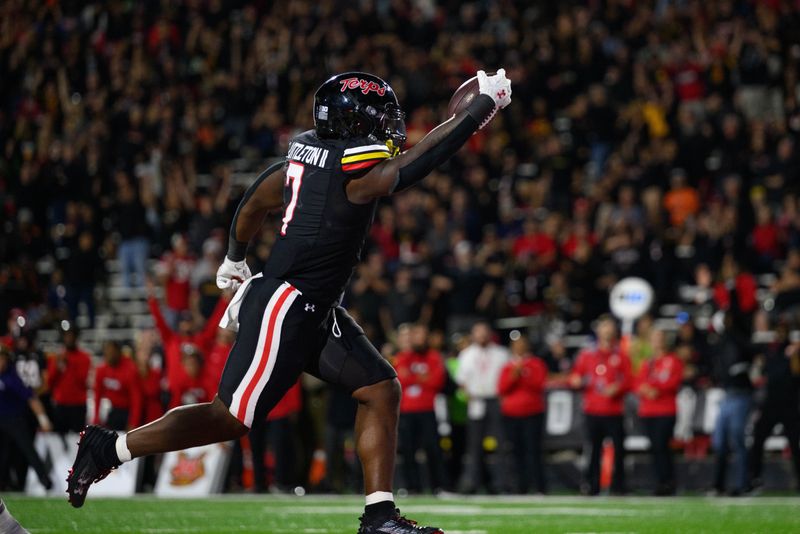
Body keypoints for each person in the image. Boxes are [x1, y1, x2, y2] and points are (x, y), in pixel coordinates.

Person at [67, 69, 512, 534]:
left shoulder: (306, 160)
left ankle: (379, 519)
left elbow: (256, 200)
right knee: (229, 418)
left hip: (312, 306)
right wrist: (481, 108)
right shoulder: (354, 174)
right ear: (354, 124)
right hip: (288, 303)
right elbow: (417, 162)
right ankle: (109, 447)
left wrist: (235, 257)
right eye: (380, 119)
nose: (388, 128)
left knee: (380, 389)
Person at [569, 315, 632, 495]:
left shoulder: (621, 356)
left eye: (609, 326)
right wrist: (576, 381)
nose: (606, 330)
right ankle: (591, 485)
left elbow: (629, 381)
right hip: (592, 410)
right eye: (604, 326)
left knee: (618, 450)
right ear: (598, 330)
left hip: (614, 410)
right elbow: (575, 377)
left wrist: (617, 388)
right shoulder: (587, 355)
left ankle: (618, 486)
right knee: (593, 450)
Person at [455, 321, 511, 494]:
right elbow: (461, 380)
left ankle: (502, 483)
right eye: (478, 332)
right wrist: (469, 394)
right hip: (477, 400)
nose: (482, 336)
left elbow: (507, 376)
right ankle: (472, 483)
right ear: (473, 335)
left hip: (495, 399)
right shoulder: (467, 354)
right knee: (474, 446)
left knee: (500, 444)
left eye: (484, 332)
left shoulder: (502, 353)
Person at [394, 324, 448, 493]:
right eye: (417, 335)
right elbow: (400, 381)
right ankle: (412, 487)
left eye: (423, 335)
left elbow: (437, 382)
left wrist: (413, 377)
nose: (419, 339)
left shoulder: (434, 356)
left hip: (427, 409)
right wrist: (422, 378)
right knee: (409, 449)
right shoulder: (403, 357)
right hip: (407, 410)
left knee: (433, 448)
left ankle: (438, 485)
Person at [748, 323, 800, 492]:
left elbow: (795, 374)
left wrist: (793, 356)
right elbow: (764, 374)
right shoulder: (772, 352)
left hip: (789, 404)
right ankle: (754, 479)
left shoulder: (793, 353)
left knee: (795, 444)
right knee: (758, 438)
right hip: (772, 404)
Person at [635, 327, 683, 495]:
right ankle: (660, 481)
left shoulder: (673, 360)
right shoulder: (647, 363)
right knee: (655, 448)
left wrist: (656, 389)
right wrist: (645, 390)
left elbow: (673, 382)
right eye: (654, 338)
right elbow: (637, 383)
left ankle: (668, 482)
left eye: (659, 338)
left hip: (665, 410)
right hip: (648, 411)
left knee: (662, 446)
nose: (656, 341)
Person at [497, 335, 548, 494]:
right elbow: (502, 388)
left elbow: (539, 384)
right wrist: (514, 374)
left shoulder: (536, 364)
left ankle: (539, 486)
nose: (519, 347)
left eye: (522, 344)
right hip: (511, 414)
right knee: (515, 451)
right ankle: (519, 487)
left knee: (533, 450)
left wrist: (523, 374)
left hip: (532, 413)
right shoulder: (507, 366)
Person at [0, 348, 53, 491]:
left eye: (2, 358)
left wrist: (43, 419)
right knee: (3, 455)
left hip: (15, 420)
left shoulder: (12, 378)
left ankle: (46, 482)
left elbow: (31, 398)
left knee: (28, 451)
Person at [47, 325, 91, 434]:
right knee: (58, 438)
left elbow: (82, 380)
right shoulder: (57, 357)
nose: (69, 338)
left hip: (78, 405)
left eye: (71, 335)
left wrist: (69, 364)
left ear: (76, 337)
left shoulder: (84, 357)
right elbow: (50, 381)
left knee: (79, 439)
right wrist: (57, 367)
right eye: (66, 336)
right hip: (61, 405)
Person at [93, 341, 142, 431]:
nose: (109, 356)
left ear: (118, 352)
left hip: (128, 411)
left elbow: (136, 399)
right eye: (106, 353)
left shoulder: (130, 369)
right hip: (114, 410)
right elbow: (97, 395)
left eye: (111, 352)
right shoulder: (101, 370)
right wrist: (96, 418)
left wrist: (133, 422)